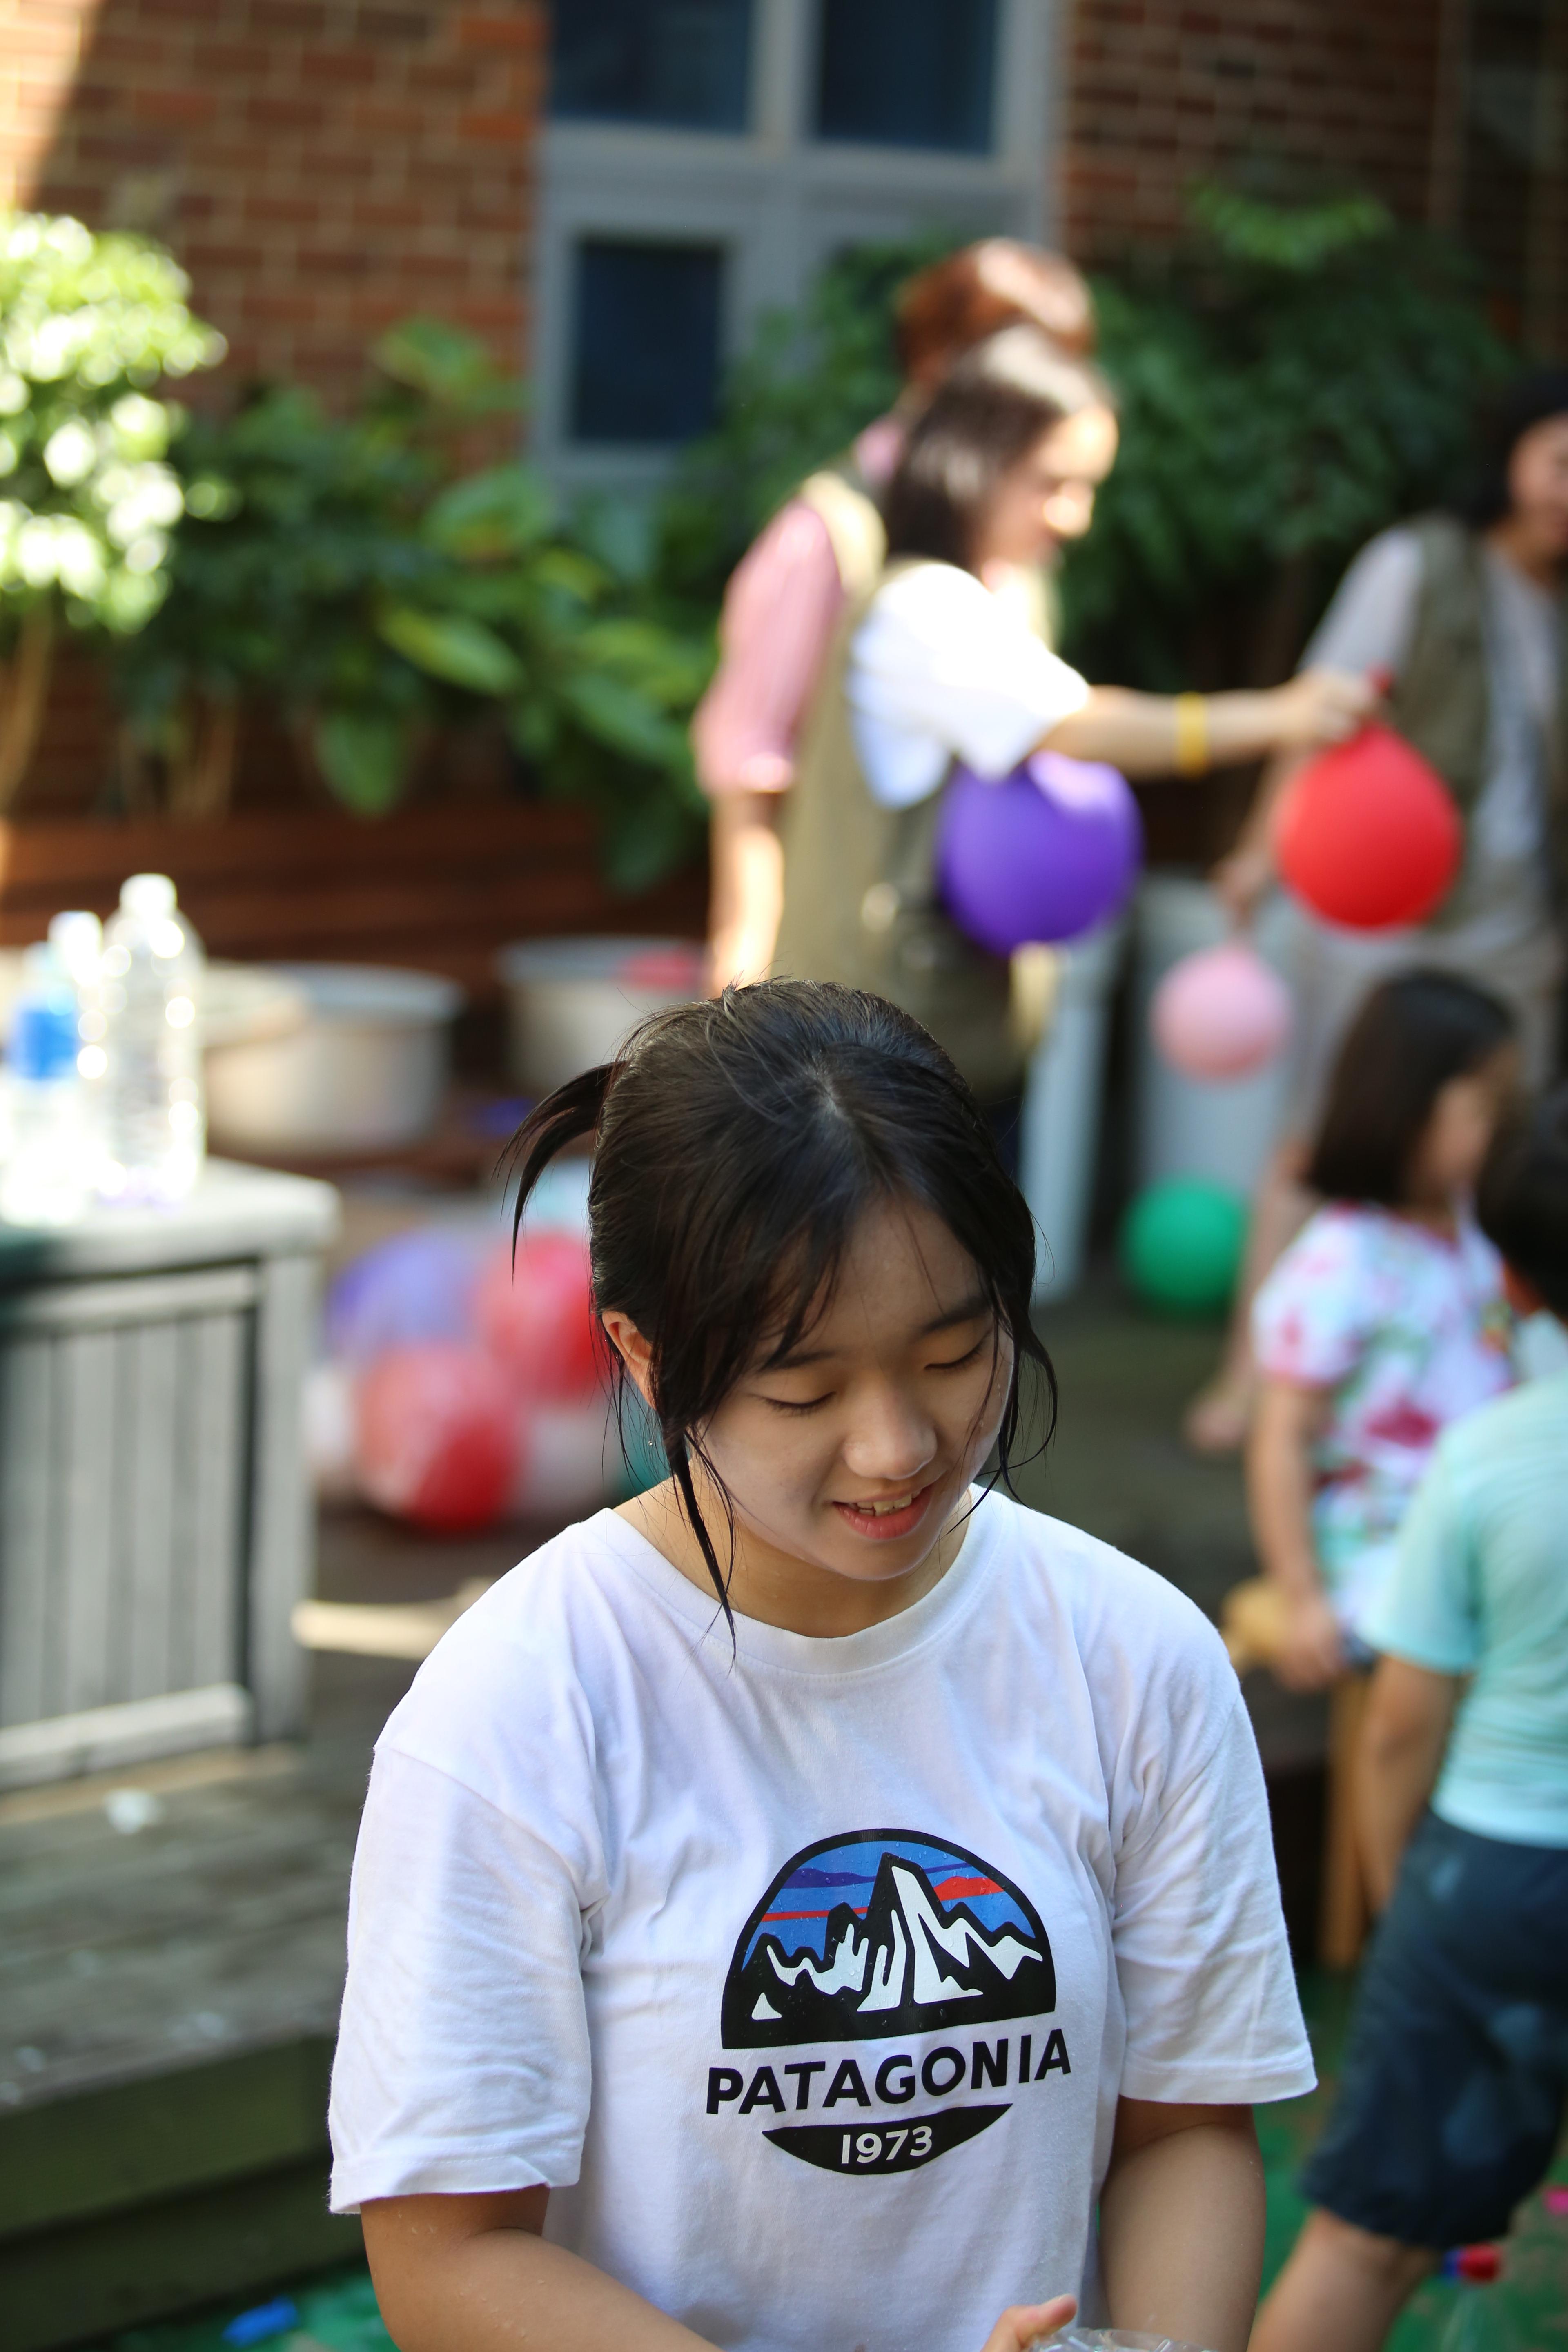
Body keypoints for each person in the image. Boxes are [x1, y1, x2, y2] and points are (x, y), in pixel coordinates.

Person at [330, 981, 1316, 2352]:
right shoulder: (519, 1704)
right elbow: (449, 2257)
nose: (897, 1446)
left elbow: (1185, 2127)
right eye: (804, 1391)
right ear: (646, 1357)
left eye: (954, 1352)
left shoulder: (1134, 1656)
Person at [771, 327, 1372, 1110]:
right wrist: (1280, 716)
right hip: (872, 1084)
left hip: (927, 1053)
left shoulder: (989, 596)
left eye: (1087, 488)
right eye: (1053, 483)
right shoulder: (922, 607)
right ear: (974, 461)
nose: (1074, 517)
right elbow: (1078, 724)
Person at [1188, 370, 1568, 1454]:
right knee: (1323, 1141)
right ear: (1512, 456)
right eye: (1560, 460)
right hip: (1383, 922)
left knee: (1500, 1157)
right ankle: (1251, 1378)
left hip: (1521, 933)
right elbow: (1322, 713)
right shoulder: (1417, 564)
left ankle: (1476, 1384)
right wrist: (1262, 853)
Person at [1252, 1085, 1568, 2352]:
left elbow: (1400, 1724)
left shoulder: (1487, 1459)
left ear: (1518, 1283)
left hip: (1495, 1873)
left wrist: (1398, 1905)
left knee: (1368, 2236)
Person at [701, 241, 1098, 992]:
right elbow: (752, 756)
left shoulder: (1023, 527)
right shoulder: (833, 532)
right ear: (937, 365)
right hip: (848, 981)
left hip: (970, 981)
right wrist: (746, 950)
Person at [1247, 972, 1519, 1690]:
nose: (1506, 1128)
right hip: (1382, 1541)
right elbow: (1281, 1438)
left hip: (1483, 1519)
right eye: (1487, 1107)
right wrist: (1302, 1596)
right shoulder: (1342, 1261)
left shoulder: (1479, 1226)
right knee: (1435, 1657)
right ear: (1408, 1107)